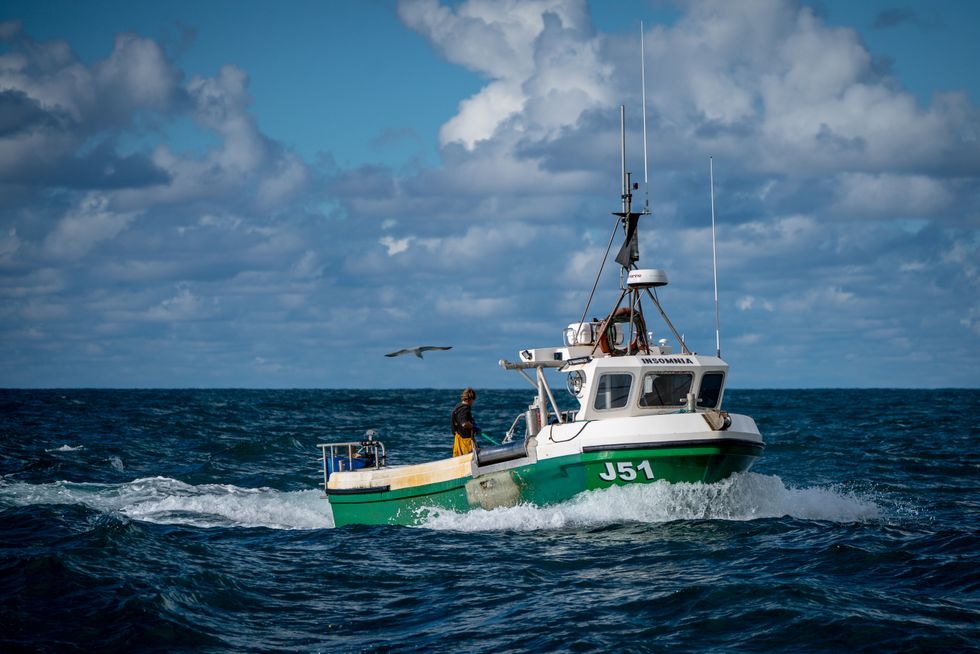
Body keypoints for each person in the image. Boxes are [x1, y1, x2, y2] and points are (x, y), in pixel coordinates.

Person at [451, 387, 481, 456]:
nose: (473, 403)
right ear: (470, 399)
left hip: (458, 440)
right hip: (465, 442)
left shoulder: (458, 407)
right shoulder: (465, 409)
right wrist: (474, 427)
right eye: (473, 400)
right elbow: (464, 423)